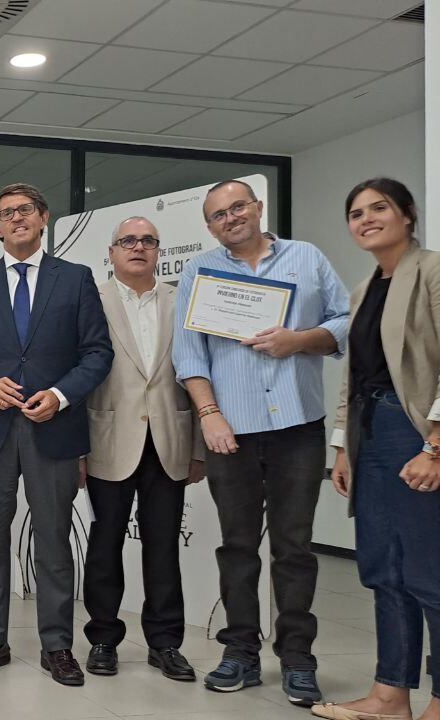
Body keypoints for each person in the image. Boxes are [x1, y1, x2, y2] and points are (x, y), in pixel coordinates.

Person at [173, 179, 349, 707]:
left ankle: (298, 660)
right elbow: (189, 354)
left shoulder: (307, 258)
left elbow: (345, 321)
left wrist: (300, 340)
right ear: (209, 226)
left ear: (257, 208)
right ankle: (241, 654)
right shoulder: (199, 270)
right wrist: (210, 416)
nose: (230, 218)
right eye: (219, 214)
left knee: (295, 548)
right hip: (232, 431)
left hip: (298, 425)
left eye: (237, 207)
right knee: (238, 548)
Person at [0, 182, 113, 686]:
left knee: (55, 542)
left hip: (54, 429)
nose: (17, 218)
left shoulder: (76, 280)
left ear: (43, 219)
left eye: (26, 210)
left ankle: (58, 645)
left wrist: (60, 396)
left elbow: (97, 353)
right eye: (6, 213)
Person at [313, 178, 440, 720]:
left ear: (407, 215)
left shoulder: (432, 271)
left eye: (378, 208)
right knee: (383, 568)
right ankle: (390, 696)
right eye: (356, 212)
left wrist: (436, 445)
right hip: (371, 434)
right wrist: (342, 449)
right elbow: (353, 378)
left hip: (416, 431)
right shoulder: (365, 288)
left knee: (429, 572)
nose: (365, 219)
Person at [81, 217, 203, 682]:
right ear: (111, 252)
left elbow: (197, 370)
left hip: (169, 440)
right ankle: (104, 640)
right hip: (107, 440)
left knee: (163, 546)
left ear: (158, 250)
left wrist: (198, 449)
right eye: (128, 241)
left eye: (148, 241)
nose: (138, 247)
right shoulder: (91, 298)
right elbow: (80, 370)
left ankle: (165, 643)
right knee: (106, 542)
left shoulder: (181, 299)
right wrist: (76, 450)